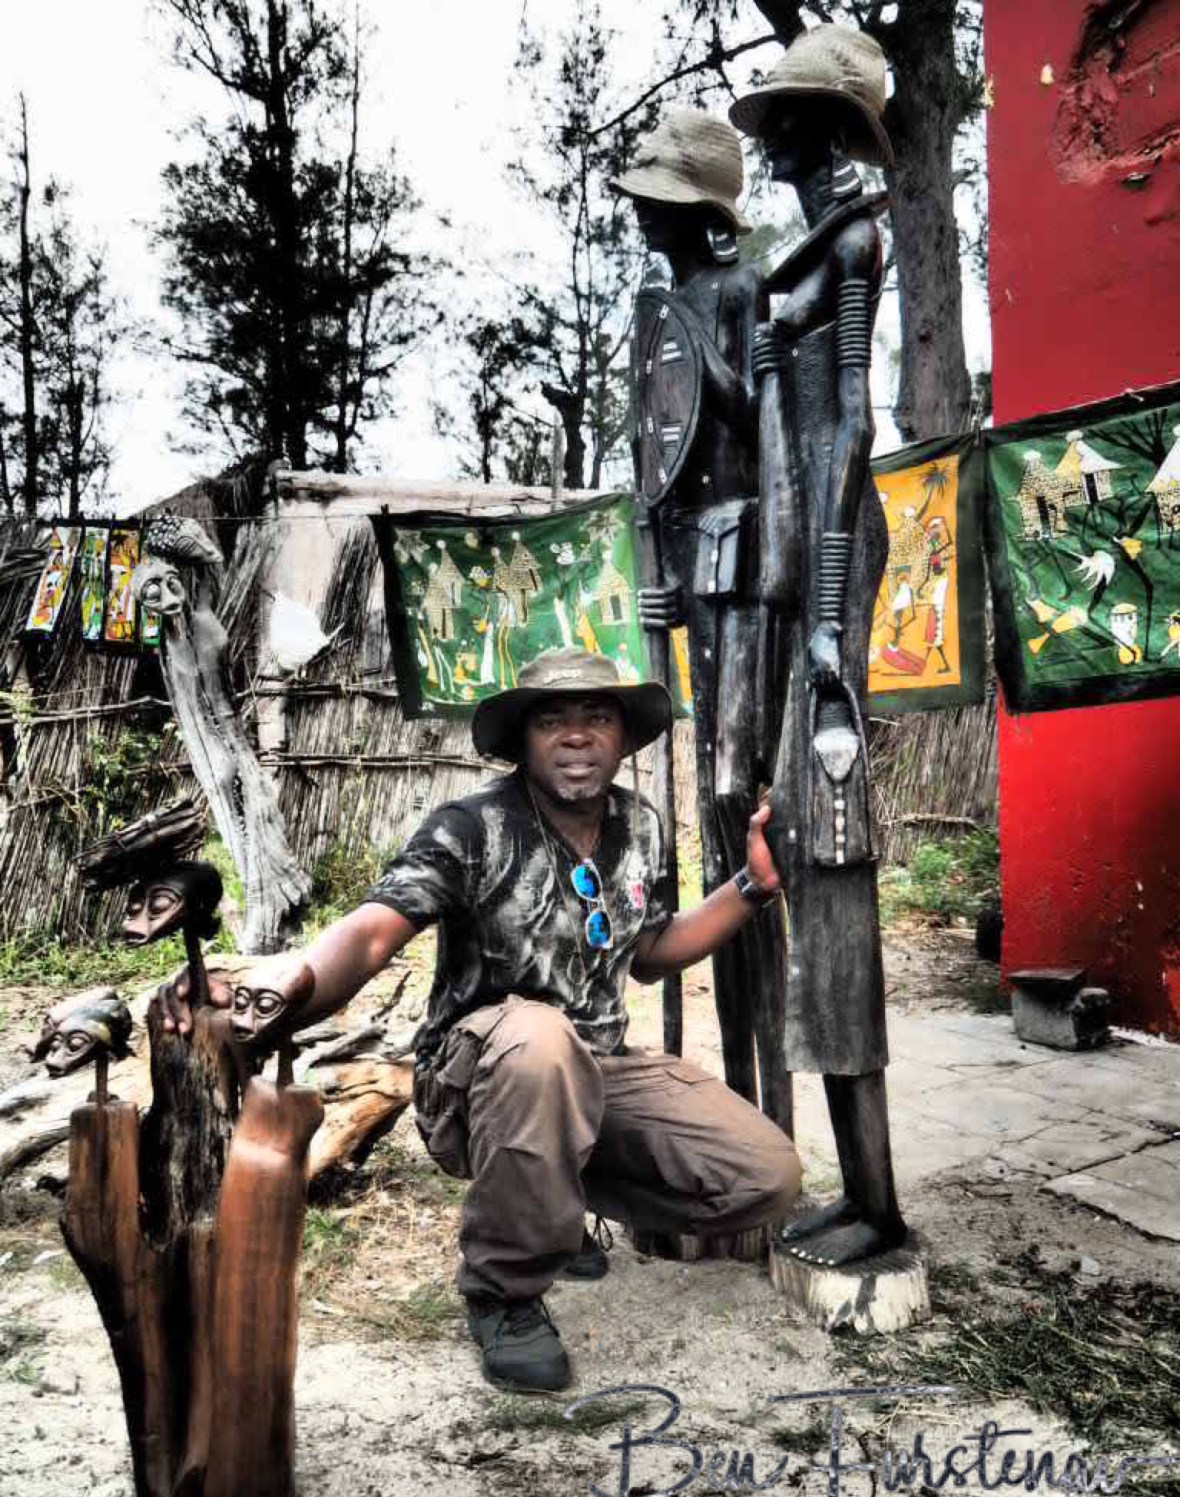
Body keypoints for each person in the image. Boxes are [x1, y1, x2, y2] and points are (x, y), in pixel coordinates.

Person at [162, 648, 801, 1393]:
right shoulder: (473, 828)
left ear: (624, 737)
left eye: (596, 717)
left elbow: (651, 950)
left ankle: (551, 1194)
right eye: (551, 719)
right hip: (474, 1080)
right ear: (521, 740)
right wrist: (288, 981)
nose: (575, 735)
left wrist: (752, 886)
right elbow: (372, 933)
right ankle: (503, 1292)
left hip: (593, 1070)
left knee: (765, 1174)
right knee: (540, 1040)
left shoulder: (644, 826)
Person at [728, 25, 908, 1267]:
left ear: (835, 129)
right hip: (800, 577)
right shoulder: (799, 253)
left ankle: (882, 1206)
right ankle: (860, 1190)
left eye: (794, 116)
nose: (774, 137)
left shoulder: (853, 241)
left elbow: (849, 431)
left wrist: (834, 620)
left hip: (832, 575)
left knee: (833, 871)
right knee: (807, 857)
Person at [613, 109, 790, 1128]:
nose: (639, 213)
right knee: (691, 807)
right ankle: (710, 1113)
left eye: (652, 198)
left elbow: (752, 431)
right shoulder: (658, 304)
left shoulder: (734, 291)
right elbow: (653, 461)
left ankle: (758, 1094)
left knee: (733, 788)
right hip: (685, 555)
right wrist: (653, 564)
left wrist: (701, 345)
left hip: (740, 551)